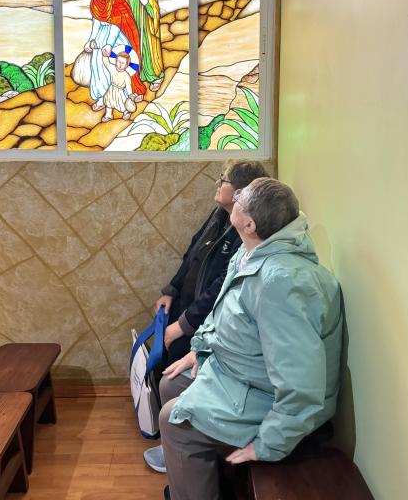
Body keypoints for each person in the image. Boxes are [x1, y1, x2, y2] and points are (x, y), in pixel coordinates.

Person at [159, 178, 343, 500]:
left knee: (171, 421)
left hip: (267, 397)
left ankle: (193, 480)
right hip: (244, 375)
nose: (237, 193)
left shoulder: (280, 284)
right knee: (170, 383)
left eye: (243, 195)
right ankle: (200, 475)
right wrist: (199, 351)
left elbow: (301, 386)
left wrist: (268, 444)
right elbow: (223, 313)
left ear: (249, 223)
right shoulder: (254, 250)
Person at [144, 161, 269, 474]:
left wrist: (183, 326)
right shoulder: (219, 216)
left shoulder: (246, 236)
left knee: (172, 370)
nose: (217, 183)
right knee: (167, 371)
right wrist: (171, 289)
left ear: (240, 194)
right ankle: (175, 444)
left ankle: (181, 442)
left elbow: (219, 290)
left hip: (203, 319)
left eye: (223, 180)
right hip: (189, 309)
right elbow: (192, 253)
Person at [84, 0, 146, 109]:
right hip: (101, 35)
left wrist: (110, 44)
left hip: (117, 35)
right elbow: (96, 22)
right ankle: (101, 97)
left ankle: (125, 97)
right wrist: (91, 40)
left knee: (119, 63)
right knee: (97, 63)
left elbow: (120, 22)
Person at [126, 0, 164, 91]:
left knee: (150, 53)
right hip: (134, 28)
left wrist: (146, 3)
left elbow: (155, 13)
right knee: (136, 52)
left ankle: (156, 77)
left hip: (148, 30)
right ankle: (139, 77)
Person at [102, 51, 135, 122]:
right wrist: (105, 56)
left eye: (123, 63)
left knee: (121, 102)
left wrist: (130, 95)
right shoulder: (112, 68)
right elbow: (106, 63)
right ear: (116, 61)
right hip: (111, 89)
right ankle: (108, 115)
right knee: (108, 101)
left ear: (127, 65)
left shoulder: (126, 75)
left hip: (119, 91)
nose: (120, 64)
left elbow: (128, 85)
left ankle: (126, 112)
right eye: (119, 62)